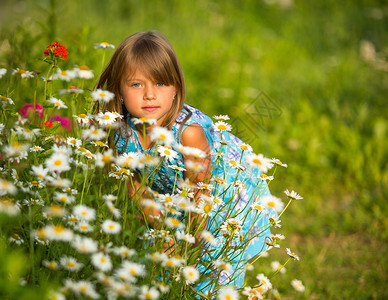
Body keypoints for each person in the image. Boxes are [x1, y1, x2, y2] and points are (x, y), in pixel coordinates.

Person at [96, 31, 276, 296]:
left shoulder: (188, 133)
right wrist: (166, 233)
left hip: (222, 199)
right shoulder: (122, 133)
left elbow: (200, 195)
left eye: (159, 84)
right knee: (157, 267)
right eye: (136, 85)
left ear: (176, 88)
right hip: (177, 200)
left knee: (212, 274)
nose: (149, 95)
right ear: (119, 91)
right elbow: (134, 186)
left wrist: (189, 247)